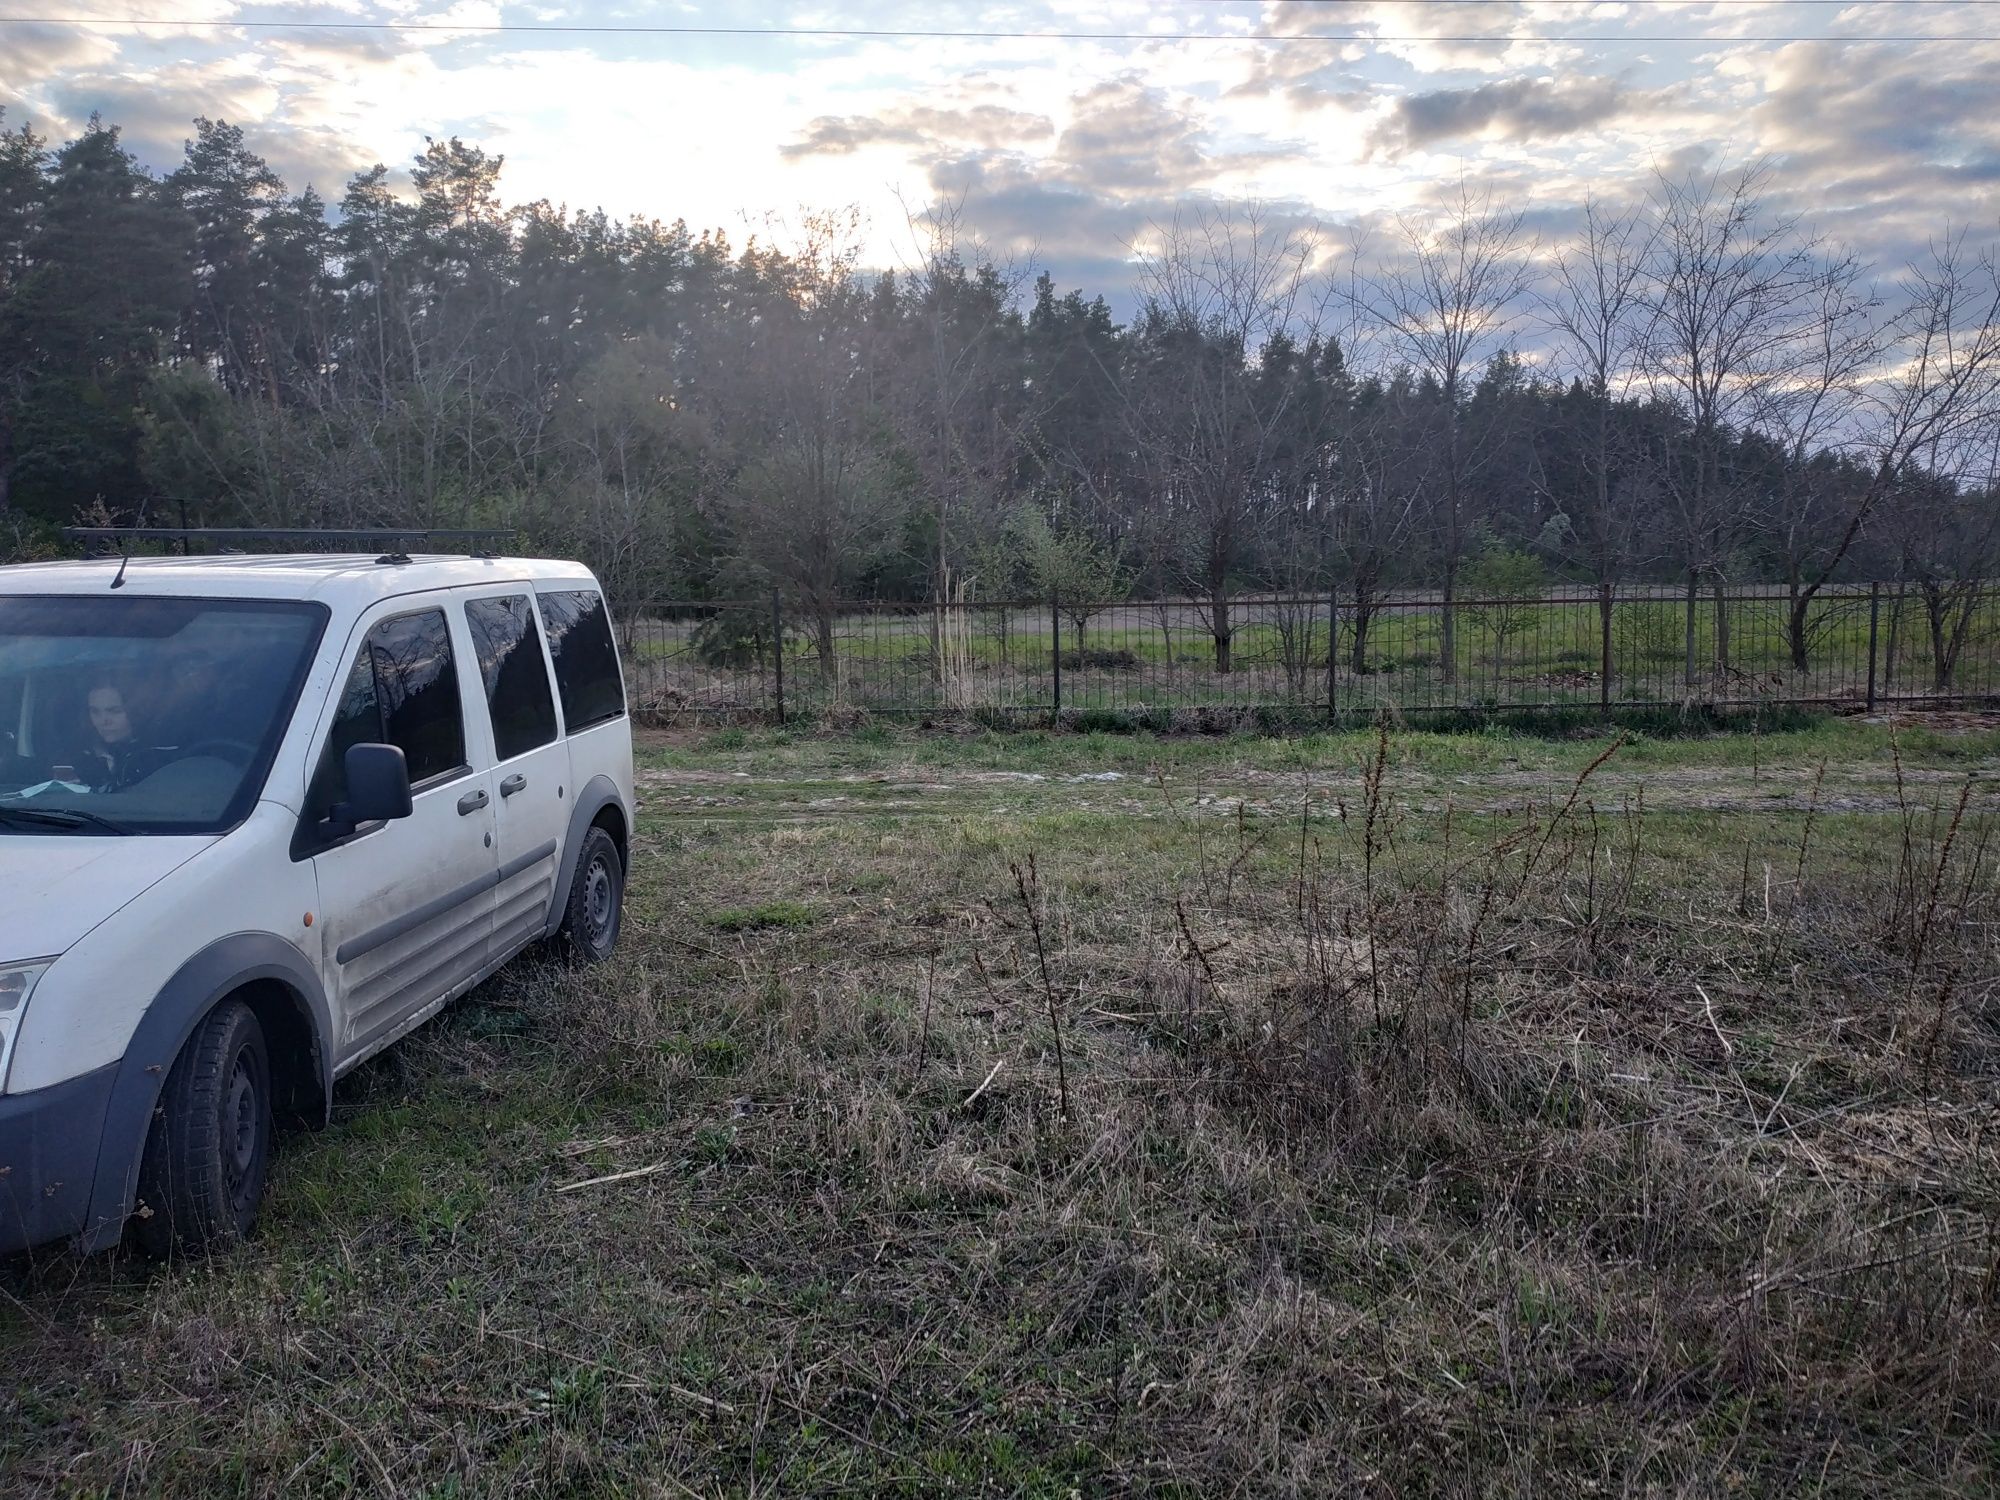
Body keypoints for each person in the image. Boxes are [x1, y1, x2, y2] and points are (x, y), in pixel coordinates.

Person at [76, 681, 162, 791]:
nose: (104, 721)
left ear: (136, 711)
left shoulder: (160, 756)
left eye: (115, 711)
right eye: (95, 712)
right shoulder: (76, 759)